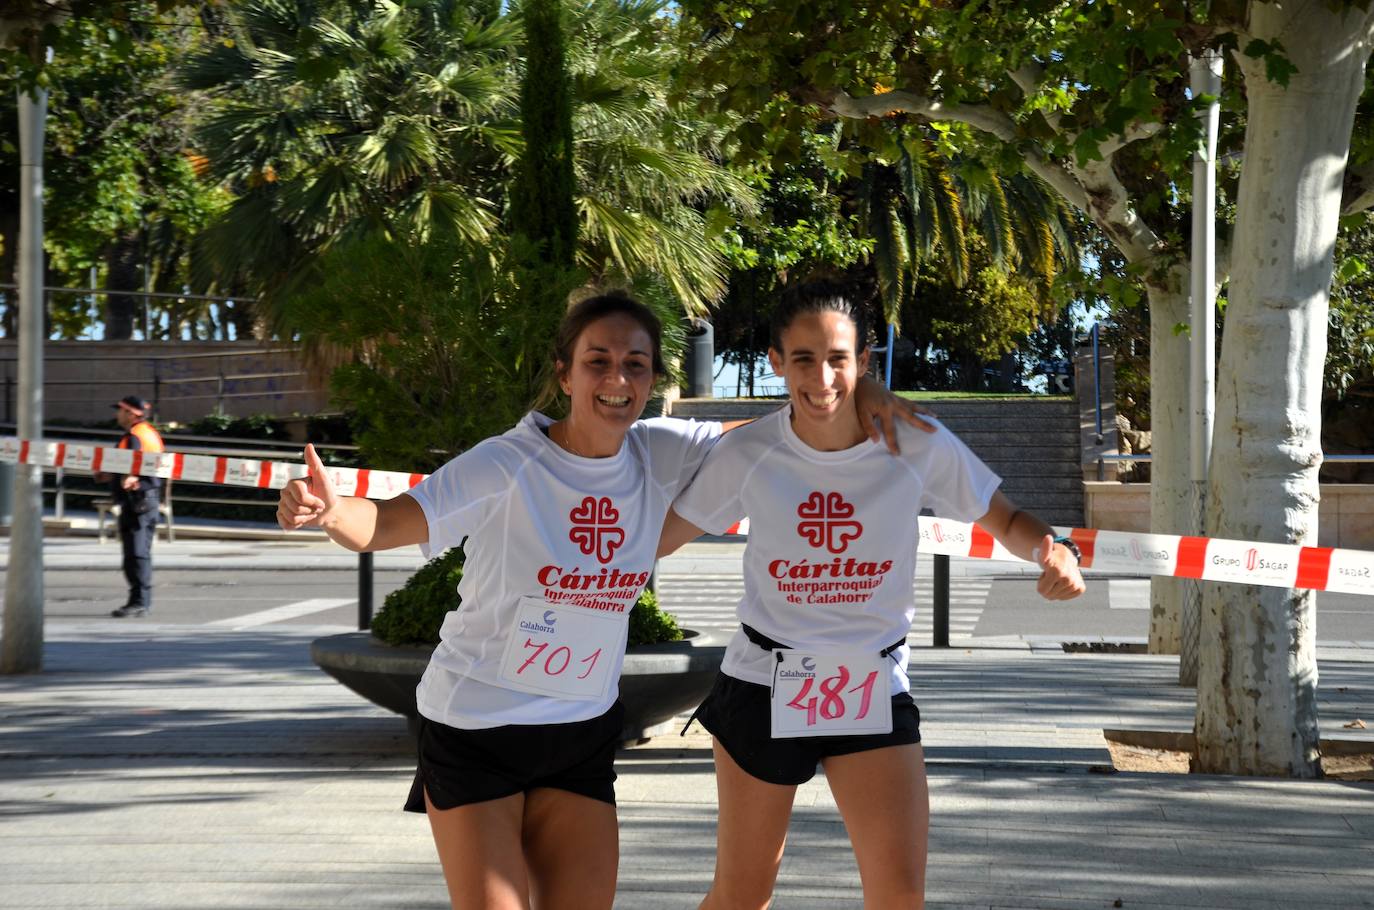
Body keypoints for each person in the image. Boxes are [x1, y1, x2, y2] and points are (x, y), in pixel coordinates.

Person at [275, 290, 933, 910]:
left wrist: (854, 391)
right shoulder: (508, 464)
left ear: (650, 382)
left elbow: (776, 426)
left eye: (634, 364)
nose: (616, 377)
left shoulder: (658, 452)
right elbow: (389, 522)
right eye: (598, 361)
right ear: (565, 375)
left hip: (580, 737)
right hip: (475, 729)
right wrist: (331, 511)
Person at [659, 281, 1087, 910]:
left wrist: (1055, 551)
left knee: (899, 894)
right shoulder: (749, 451)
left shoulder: (915, 440)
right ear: (776, 362)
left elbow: (1007, 518)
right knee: (743, 894)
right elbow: (662, 537)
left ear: (864, 363)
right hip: (761, 683)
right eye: (802, 358)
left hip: (871, 685)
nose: (822, 376)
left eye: (838, 358)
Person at [100, 395, 165, 618]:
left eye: (120, 410)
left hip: (137, 501)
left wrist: (125, 477)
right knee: (139, 552)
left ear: (131, 413)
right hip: (147, 499)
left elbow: (132, 463)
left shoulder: (134, 436)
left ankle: (139, 602)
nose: (116, 414)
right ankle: (139, 600)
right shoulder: (148, 433)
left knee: (135, 553)